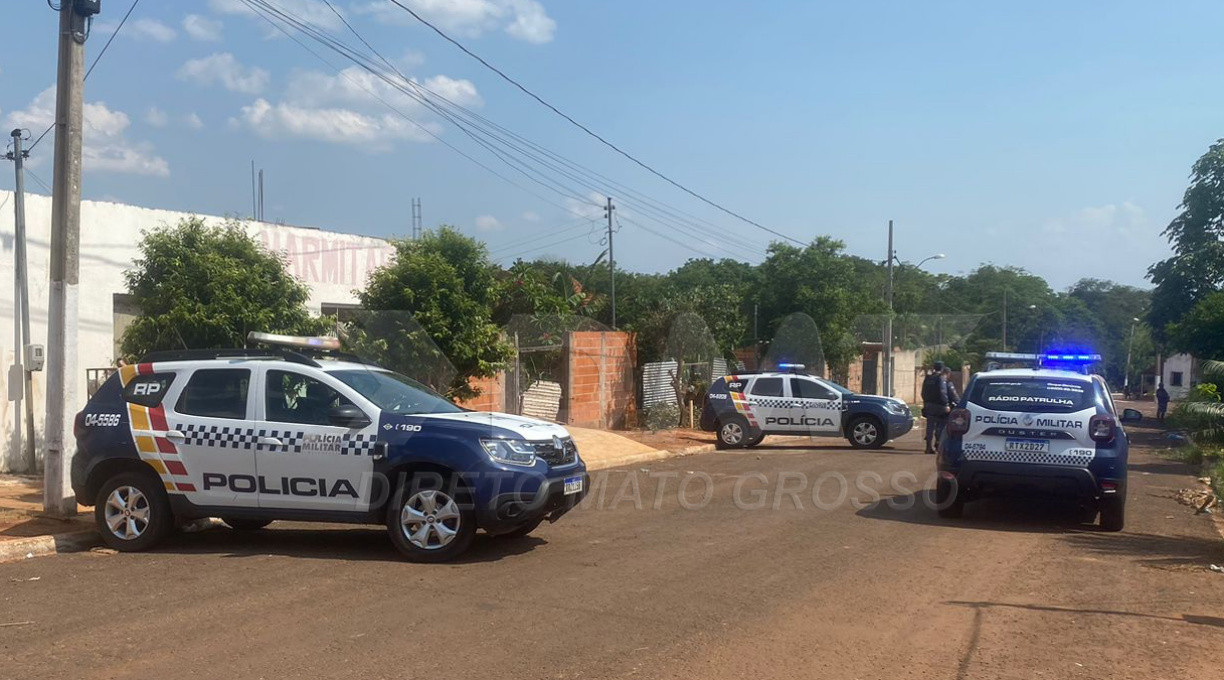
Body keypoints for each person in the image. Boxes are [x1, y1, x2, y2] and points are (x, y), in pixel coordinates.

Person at [921, 361, 950, 455]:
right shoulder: (940, 378)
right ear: (942, 369)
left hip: (929, 405)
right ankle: (938, 444)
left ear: (934, 367)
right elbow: (943, 392)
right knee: (940, 426)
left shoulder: (928, 378)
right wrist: (946, 404)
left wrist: (926, 403)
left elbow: (923, 393)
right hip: (939, 406)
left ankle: (928, 447)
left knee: (930, 427)